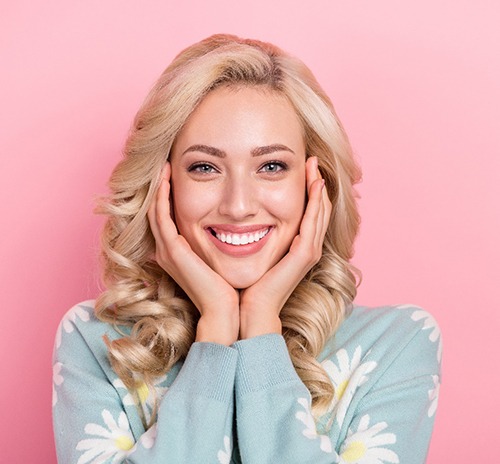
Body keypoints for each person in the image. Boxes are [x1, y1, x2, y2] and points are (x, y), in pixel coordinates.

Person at [52, 34, 442, 464]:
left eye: (271, 166)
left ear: (316, 187)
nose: (238, 206)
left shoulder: (396, 345)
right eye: (205, 167)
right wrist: (217, 330)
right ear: (163, 187)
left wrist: (260, 327)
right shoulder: (96, 342)